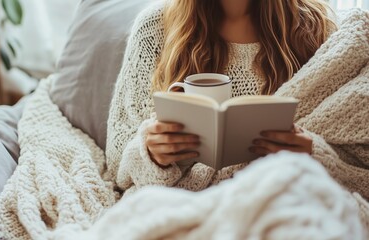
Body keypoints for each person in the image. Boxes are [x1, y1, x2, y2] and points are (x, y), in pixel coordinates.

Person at [105, 0, 337, 195]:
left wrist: (313, 152)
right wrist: (151, 153)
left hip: (280, 196)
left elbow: (354, 157)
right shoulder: (156, 27)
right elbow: (117, 157)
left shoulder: (315, 30)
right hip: (184, 201)